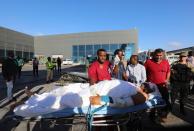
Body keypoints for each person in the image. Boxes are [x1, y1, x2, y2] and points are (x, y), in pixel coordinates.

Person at [144, 48, 171, 121]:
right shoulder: (148, 62)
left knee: (165, 101)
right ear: (154, 55)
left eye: (160, 55)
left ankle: (162, 115)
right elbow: (143, 72)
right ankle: (152, 116)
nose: (159, 57)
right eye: (157, 55)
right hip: (152, 87)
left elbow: (168, 72)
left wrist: (167, 80)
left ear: (163, 55)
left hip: (163, 85)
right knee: (153, 102)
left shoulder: (166, 62)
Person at [90, 82, 160, 107]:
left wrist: (103, 99)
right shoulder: (135, 86)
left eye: (146, 85)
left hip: (99, 92)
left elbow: (122, 103)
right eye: (145, 83)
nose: (143, 84)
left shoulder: (142, 96)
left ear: (146, 90)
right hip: (99, 86)